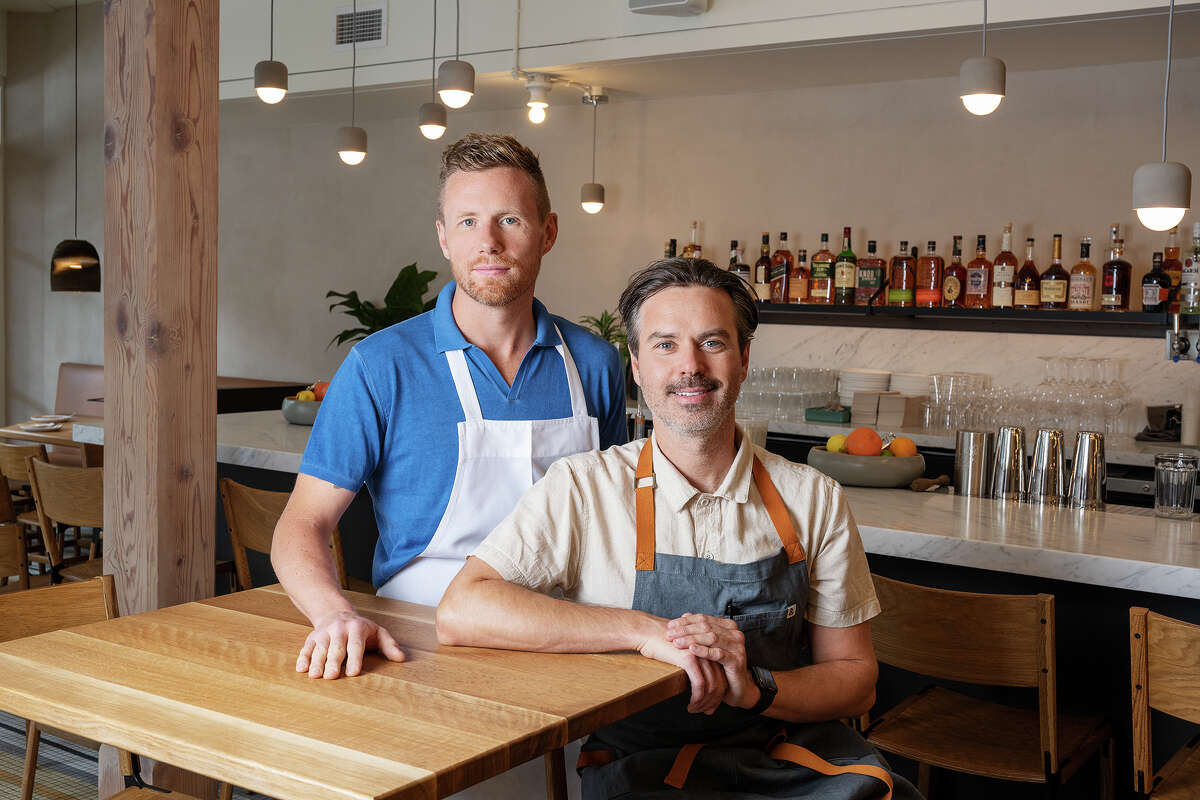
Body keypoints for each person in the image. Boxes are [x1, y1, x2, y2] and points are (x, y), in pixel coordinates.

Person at [438, 258, 922, 799]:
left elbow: (856, 681)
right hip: (639, 767)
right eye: (665, 344)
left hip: (789, 755)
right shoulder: (582, 487)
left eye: (712, 342)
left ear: (743, 361)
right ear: (638, 366)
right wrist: (646, 634)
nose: (689, 366)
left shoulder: (813, 498)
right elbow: (462, 609)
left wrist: (754, 688)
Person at [271, 133, 627, 681]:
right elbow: (302, 523)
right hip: (421, 638)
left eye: (509, 219)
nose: (488, 242)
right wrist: (335, 614)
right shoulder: (380, 366)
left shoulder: (594, 364)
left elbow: (618, 520)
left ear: (547, 232)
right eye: (467, 222)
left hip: (568, 636)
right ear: (443, 237)